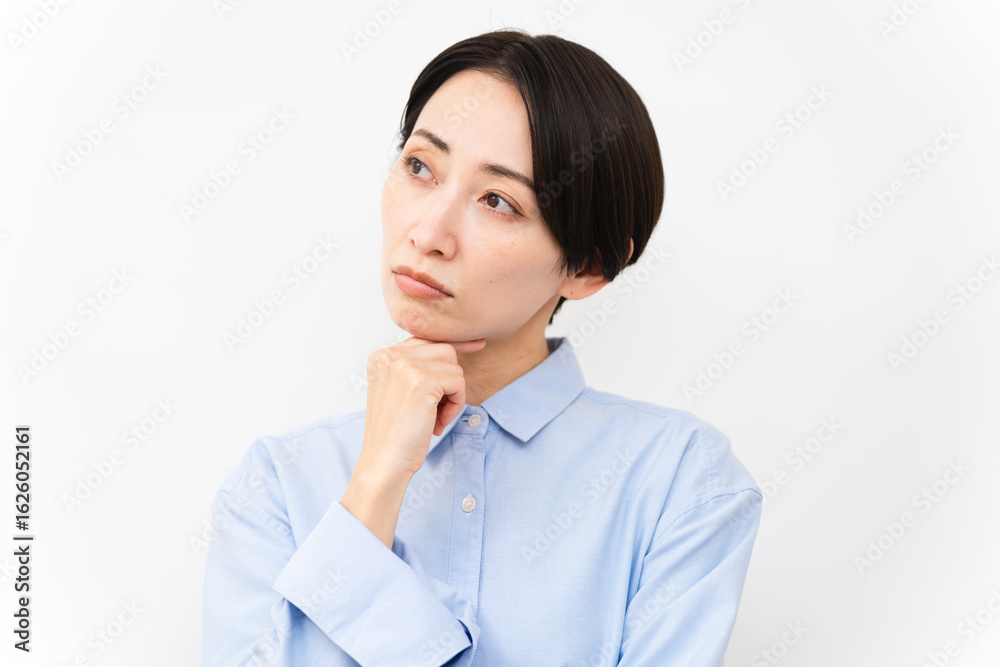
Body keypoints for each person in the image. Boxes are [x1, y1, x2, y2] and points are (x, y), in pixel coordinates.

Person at [202, 28, 762, 666]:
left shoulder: (681, 481)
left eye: (497, 201)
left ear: (589, 266)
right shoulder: (276, 486)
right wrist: (375, 485)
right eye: (420, 167)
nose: (428, 233)